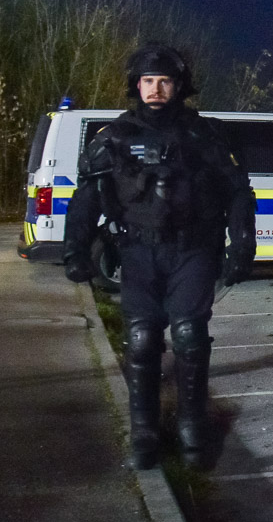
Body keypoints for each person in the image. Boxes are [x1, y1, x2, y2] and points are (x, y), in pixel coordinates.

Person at [64, 44, 254, 470]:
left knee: (189, 334)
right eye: (148, 81)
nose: (155, 89)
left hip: (193, 250)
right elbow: (86, 198)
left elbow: (238, 193)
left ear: (179, 85)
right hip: (138, 251)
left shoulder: (206, 135)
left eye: (164, 81)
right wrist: (75, 249)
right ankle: (144, 430)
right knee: (142, 338)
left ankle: (192, 425)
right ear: (136, 85)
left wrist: (242, 245)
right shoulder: (113, 137)